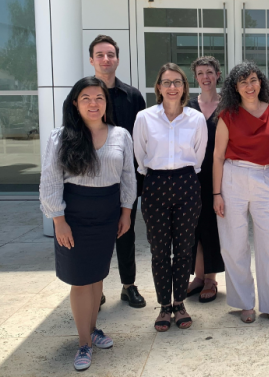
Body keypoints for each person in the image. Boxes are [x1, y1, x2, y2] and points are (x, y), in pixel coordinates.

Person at [39, 76, 137, 371]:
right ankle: (83, 343)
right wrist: (59, 221)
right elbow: (51, 182)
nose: (93, 104)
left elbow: (128, 177)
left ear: (107, 104)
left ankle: (92, 328)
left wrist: (126, 212)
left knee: (97, 276)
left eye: (99, 98)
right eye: (86, 98)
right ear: (75, 103)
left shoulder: (121, 135)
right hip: (74, 217)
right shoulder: (60, 137)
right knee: (81, 281)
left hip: (107, 215)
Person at [213, 61, 269, 325]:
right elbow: (217, 156)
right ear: (234, 88)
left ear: (260, 81)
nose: (249, 86)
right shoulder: (227, 114)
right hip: (232, 177)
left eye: (253, 80)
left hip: (264, 178)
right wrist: (217, 193)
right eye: (242, 82)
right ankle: (244, 303)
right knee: (234, 243)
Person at [133, 63, 208, 332]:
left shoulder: (196, 119)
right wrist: (154, 174)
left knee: (184, 249)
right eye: (167, 82)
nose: (172, 87)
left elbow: (198, 157)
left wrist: (181, 175)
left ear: (185, 87)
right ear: (159, 87)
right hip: (154, 184)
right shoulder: (144, 117)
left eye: (178, 82)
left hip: (187, 184)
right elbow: (140, 156)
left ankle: (180, 303)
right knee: (160, 250)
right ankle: (164, 306)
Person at [88, 34, 147, 308]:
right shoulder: (82, 95)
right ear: (92, 60)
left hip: (126, 179)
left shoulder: (133, 96)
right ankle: (95, 288)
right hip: (90, 181)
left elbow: (143, 138)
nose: (106, 59)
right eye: (100, 55)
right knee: (96, 237)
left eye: (110, 54)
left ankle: (128, 286)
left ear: (117, 59)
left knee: (126, 232)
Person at [186, 56, 225, 303]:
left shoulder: (228, 105)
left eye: (209, 72)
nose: (205, 77)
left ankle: (210, 278)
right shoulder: (188, 105)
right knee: (194, 226)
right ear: (196, 77)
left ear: (218, 75)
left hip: (220, 173)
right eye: (200, 73)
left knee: (213, 226)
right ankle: (198, 276)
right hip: (193, 174)